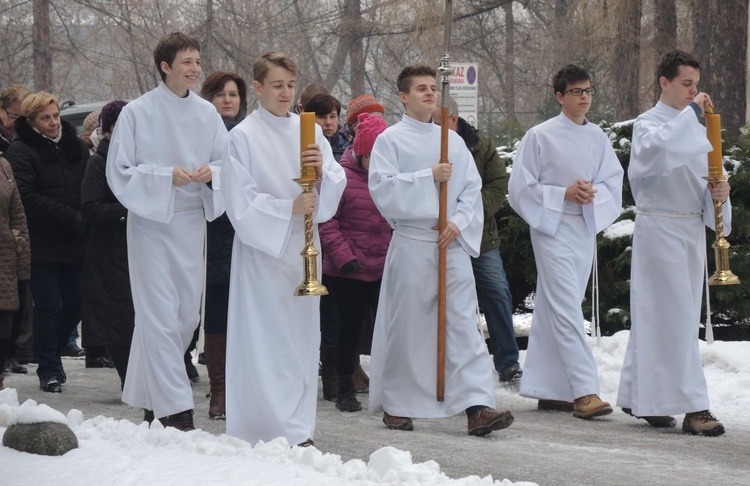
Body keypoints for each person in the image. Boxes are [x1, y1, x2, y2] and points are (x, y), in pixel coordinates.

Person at [368, 63, 513, 436]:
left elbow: (471, 191)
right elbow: (382, 190)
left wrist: (458, 223)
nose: (430, 93)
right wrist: (427, 177)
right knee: (411, 326)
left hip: (451, 242)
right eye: (421, 88)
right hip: (414, 243)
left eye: (433, 87)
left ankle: (477, 405)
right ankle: (399, 404)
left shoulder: (454, 141)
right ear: (403, 96)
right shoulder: (390, 141)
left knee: (463, 324)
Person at [221, 51, 345, 447]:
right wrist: (286, 208)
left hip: (304, 249)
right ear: (257, 88)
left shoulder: (308, 131)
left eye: (291, 85)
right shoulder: (242, 137)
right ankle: (265, 425)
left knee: (301, 339)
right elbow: (238, 200)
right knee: (266, 338)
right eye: (277, 85)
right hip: (263, 251)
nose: (286, 92)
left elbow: (337, 180)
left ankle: (297, 427)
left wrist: (323, 173)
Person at [106, 32, 227, 431]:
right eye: (186, 61)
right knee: (157, 313)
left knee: (184, 316)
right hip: (153, 222)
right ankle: (176, 409)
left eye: (197, 60)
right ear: (165, 67)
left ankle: (149, 399)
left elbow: (228, 163)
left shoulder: (208, 115)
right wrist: (162, 177)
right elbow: (118, 171)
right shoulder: (137, 113)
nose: (194, 69)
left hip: (191, 221)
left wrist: (214, 174)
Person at [616, 50, 729, 437]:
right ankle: (695, 407)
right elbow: (656, 154)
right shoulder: (648, 125)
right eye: (686, 84)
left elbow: (705, 178)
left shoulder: (694, 128)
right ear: (664, 83)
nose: (694, 91)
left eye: (696, 84)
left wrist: (719, 193)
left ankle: (645, 398)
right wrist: (693, 116)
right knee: (671, 319)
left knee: (670, 318)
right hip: (660, 229)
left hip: (689, 231)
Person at [508, 65, 623, 419]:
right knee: (566, 306)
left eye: (588, 90)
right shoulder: (540, 136)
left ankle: (550, 388)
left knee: (559, 303)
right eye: (576, 91)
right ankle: (584, 390)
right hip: (551, 228)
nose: (585, 97)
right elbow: (520, 189)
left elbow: (613, 181)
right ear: (560, 97)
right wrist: (564, 194)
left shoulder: (598, 138)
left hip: (583, 228)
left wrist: (593, 192)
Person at [432, 96, 522, 384]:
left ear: (454, 120)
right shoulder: (427, 144)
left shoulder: (481, 146)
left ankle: (507, 361)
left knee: (496, 293)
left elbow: (498, 185)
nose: (434, 127)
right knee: (442, 299)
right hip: (441, 234)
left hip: (481, 238)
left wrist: (467, 211)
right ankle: (443, 360)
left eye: (438, 121)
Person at [5, 92, 90, 393]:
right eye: (45, 118)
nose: (53, 122)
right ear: (32, 122)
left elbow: (86, 184)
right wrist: (70, 217)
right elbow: (27, 197)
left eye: (55, 116)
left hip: (76, 241)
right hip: (42, 243)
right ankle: (49, 368)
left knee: (76, 304)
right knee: (49, 305)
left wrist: (85, 213)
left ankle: (52, 352)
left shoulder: (75, 146)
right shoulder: (22, 151)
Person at [319, 113, 392, 413]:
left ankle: (392, 386)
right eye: (373, 157)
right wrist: (345, 257)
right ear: (361, 154)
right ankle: (345, 387)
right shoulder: (342, 177)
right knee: (349, 329)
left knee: (388, 328)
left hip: (383, 265)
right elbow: (327, 222)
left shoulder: (390, 179)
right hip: (348, 269)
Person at [198, 70, 249, 419]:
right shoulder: (199, 133)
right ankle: (220, 389)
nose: (229, 100)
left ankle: (245, 386)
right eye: (221, 94)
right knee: (218, 312)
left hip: (250, 230)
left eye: (234, 94)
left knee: (247, 314)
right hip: (214, 229)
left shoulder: (250, 134)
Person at [80, 100, 132, 389]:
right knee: (119, 319)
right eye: (119, 127)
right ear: (108, 131)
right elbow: (90, 207)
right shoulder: (98, 163)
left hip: (138, 249)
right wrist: (130, 213)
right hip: (110, 252)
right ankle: (128, 379)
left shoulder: (139, 162)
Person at [0, 83, 32, 375]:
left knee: (10, 307)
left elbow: (17, 209)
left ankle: (9, 354)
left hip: (9, 248)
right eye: (13, 117)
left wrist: (17, 237)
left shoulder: (5, 164)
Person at [0, 154, 31, 390]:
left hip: (5, 261)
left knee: (4, 325)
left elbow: (18, 216)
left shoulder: (4, 165)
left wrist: (22, 265)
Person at [305, 93, 348, 161]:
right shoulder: (301, 146)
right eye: (322, 117)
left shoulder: (349, 149)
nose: (328, 122)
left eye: (332, 116)